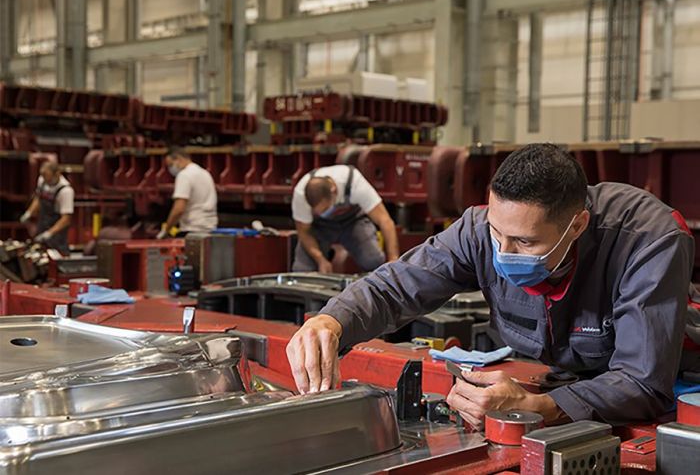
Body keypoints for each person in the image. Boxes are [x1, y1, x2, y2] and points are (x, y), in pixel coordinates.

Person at [286, 143, 697, 426]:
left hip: (674, 381)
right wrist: (333, 320)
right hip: (567, 376)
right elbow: (394, 286)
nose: (503, 251)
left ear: (577, 225)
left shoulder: (648, 239)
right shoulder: (480, 228)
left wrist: (541, 406)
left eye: (525, 241)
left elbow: (642, 381)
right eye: (498, 234)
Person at [291, 164, 399, 273]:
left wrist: (393, 260)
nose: (323, 213)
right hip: (320, 227)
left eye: (325, 209)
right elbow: (304, 232)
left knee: (373, 260)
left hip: (353, 223)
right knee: (302, 269)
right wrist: (320, 260)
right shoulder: (300, 193)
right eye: (317, 211)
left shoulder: (355, 183)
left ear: (334, 191)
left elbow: (385, 221)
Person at [158, 146, 218, 238]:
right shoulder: (205, 173)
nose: (171, 169)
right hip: (210, 229)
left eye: (170, 165)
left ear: (178, 159)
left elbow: (179, 209)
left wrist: (166, 230)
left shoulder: (184, 175)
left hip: (192, 230)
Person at [20, 161, 75, 255]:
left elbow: (66, 219)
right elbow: (38, 198)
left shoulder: (66, 191)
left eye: (47, 177)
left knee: (56, 258)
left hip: (57, 231)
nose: (45, 180)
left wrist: (49, 233)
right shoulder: (43, 179)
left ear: (57, 174)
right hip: (43, 223)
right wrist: (29, 213)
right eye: (43, 176)